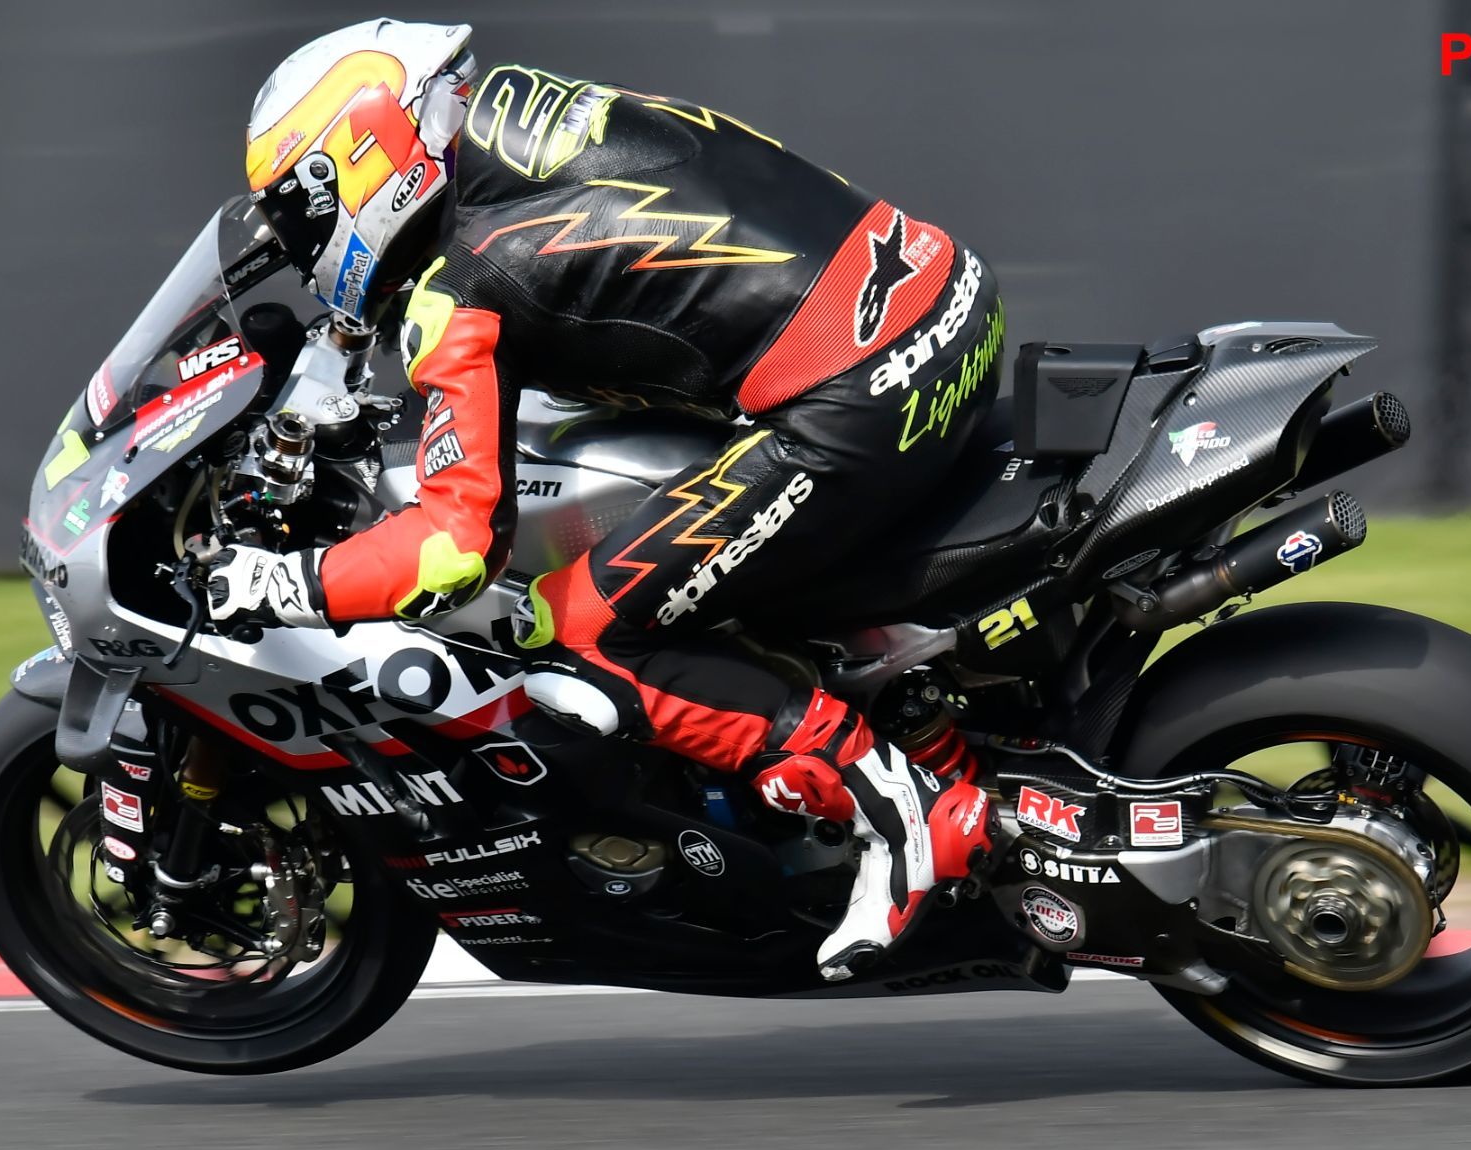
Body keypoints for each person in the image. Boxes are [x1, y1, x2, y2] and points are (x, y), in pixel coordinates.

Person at [204, 18, 1006, 980]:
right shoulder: (514, 110)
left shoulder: (462, 288)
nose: (303, 245)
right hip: (941, 292)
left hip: (863, 397)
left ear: (359, 163)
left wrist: (284, 583)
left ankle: (896, 806)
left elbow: (454, 549)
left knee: (580, 625)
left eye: (302, 212)